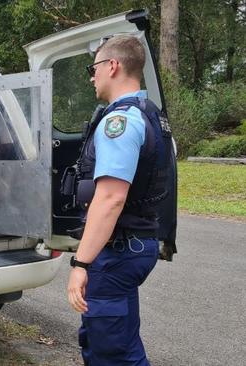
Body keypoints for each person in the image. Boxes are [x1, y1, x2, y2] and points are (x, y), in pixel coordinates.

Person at [66, 35, 173, 365]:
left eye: (93, 67)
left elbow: (111, 198)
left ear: (112, 66)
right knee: (113, 340)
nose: (91, 76)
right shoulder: (150, 114)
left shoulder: (120, 122)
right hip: (135, 243)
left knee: (112, 353)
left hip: (118, 251)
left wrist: (80, 264)